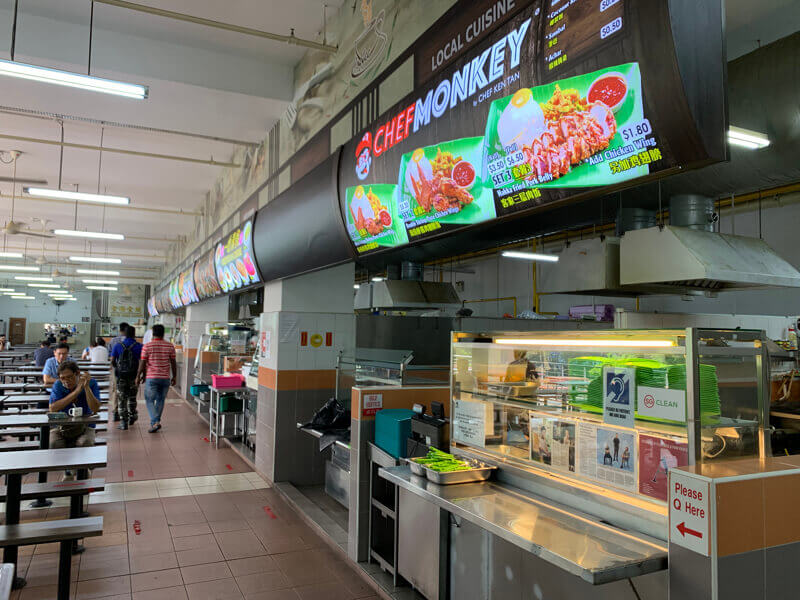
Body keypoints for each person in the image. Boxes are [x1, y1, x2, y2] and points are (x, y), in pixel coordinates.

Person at [48, 361, 100, 481]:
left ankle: (80, 469)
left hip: (86, 426)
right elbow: (53, 408)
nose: (66, 381)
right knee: (54, 443)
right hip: (61, 427)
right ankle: (69, 470)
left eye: (70, 377)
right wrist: (76, 392)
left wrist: (86, 387)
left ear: (77, 374)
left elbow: (95, 408)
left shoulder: (92, 383)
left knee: (84, 442)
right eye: (63, 378)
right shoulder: (58, 385)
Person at [137, 324, 176, 433]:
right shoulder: (170, 346)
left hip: (152, 377)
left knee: (149, 400)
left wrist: (138, 376)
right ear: (163, 334)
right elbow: (173, 363)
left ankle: (155, 421)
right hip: (165, 378)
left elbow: (143, 363)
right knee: (160, 400)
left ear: (152, 333)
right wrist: (175, 376)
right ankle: (156, 422)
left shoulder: (147, 346)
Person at [111, 326, 142, 430]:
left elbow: (112, 361)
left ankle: (123, 422)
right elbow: (142, 362)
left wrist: (118, 369)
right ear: (134, 334)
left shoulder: (118, 346)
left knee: (121, 399)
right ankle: (132, 417)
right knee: (132, 397)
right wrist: (140, 375)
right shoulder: (139, 346)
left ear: (124, 334)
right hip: (133, 376)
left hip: (121, 377)